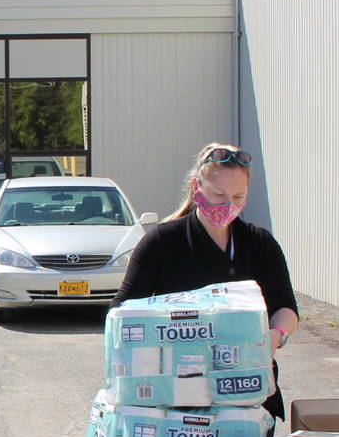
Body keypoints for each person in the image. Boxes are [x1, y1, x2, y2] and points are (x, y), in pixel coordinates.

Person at [115, 142, 298, 421]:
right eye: (218, 195)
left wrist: (277, 335)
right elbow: (122, 312)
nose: (227, 206)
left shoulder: (260, 243)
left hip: (246, 395)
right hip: (177, 400)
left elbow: (285, 307)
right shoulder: (161, 242)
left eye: (238, 197)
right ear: (196, 186)